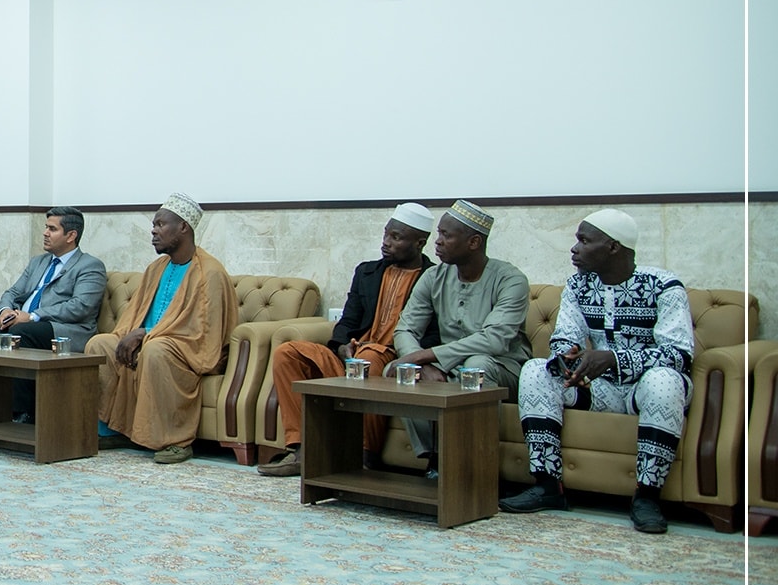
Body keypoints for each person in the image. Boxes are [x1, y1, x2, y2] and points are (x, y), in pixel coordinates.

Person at [502, 210, 693, 534]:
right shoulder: (578, 285)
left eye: (584, 241)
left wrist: (614, 359)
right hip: (599, 389)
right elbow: (564, 338)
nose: (574, 248)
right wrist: (568, 359)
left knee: (663, 380)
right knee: (536, 370)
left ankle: (647, 497)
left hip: (646, 389)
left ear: (613, 247)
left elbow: (678, 355)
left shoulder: (664, 286)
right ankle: (548, 486)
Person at [258, 203, 437, 477]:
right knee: (288, 352)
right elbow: (348, 321)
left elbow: (435, 333)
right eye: (386, 234)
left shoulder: (434, 279)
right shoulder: (366, 272)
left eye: (396, 237)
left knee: (371, 358)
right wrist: (342, 346)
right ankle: (302, 450)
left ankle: (364, 456)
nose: (386, 242)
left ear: (419, 243)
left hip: (393, 361)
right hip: (352, 356)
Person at [89, 194, 236, 463]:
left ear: (183, 227)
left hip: (183, 350)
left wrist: (146, 335)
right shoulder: (157, 268)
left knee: (156, 349)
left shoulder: (210, 273)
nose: (154, 232)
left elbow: (203, 333)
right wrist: (131, 335)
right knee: (100, 344)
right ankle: (113, 430)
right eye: (153, 226)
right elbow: (135, 314)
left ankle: (175, 441)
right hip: (150, 342)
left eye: (160, 225)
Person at [390, 200, 530, 477]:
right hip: (450, 366)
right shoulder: (433, 276)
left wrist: (428, 356)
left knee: (476, 367)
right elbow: (405, 330)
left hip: (504, 369)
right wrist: (420, 364)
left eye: (446, 235)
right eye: (439, 234)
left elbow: (494, 340)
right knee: (401, 370)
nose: (437, 242)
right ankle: (435, 459)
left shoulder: (511, 280)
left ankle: (476, 468)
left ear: (474, 242)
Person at [0, 207, 106, 421]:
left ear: (71, 235)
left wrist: (33, 316)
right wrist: (5, 310)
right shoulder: (38, 262)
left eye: (52, 229)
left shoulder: (90, 266)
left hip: (64, 330)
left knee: (21, 334)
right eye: (46, 227)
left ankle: (23, 413)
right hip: (25, 326)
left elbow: (80, 307)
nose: (45, 233)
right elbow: (13, 292)